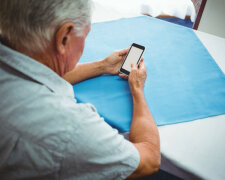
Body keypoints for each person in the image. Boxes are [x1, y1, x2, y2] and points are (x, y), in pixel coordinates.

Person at [0, 0, 160, 179]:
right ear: (64, 38)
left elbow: (33, 72)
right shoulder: (69, 127)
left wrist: (102, 66)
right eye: (86, 34)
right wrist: (137, 89)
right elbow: (149, 160)